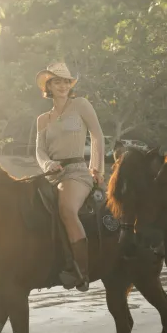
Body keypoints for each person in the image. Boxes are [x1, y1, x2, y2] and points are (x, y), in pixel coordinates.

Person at [35, 62, 106, 292]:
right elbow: (40, 150)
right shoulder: (42, 119)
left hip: (77, 171)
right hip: (51, 173)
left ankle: (81, 272)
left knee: (66, 208)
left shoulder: (81, 105)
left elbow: (97, 135)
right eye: (57, 81)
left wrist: (97, 168)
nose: (63, 85)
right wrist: (48, 164)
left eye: (66, 81)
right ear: (49, 86)